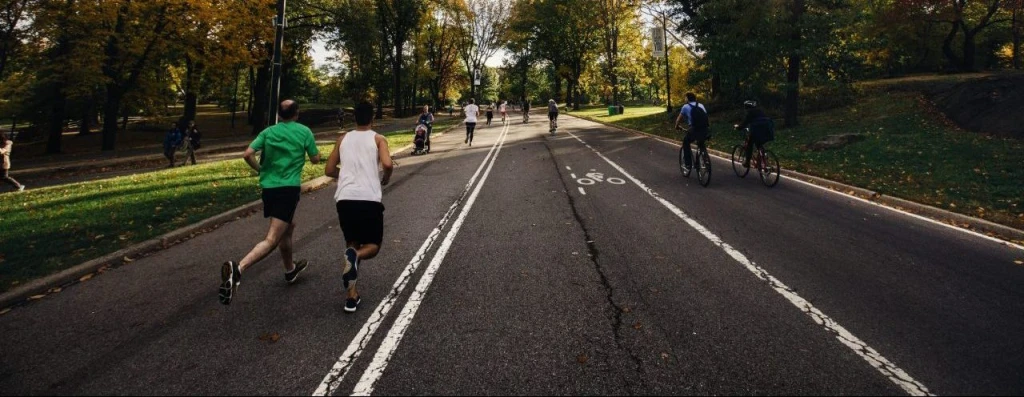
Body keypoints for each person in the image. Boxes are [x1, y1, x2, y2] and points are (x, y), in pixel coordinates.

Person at [219, 99, 321, 305]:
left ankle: (290, 270)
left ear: (279, 114)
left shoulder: (268, 132)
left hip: (269, 189)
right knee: (272, 238)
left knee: (288, 227)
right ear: (297, 113)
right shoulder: (304, 131)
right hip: (288, 189)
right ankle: (239, 269)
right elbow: (315, 159)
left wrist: (260, 169)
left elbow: (247, 154)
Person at [324, 101, 393, 313]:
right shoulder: (378, 139)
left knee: (351, 244)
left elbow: (328, 169)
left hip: (345, 198)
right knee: (372, 245)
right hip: (369, 198)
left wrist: (343, 176)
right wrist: (386, 178)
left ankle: (351, 297)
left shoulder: (342, 139)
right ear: (372, 118)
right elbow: (388, 164)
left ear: (355, 118)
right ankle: (357, 258)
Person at [673, 92, 711, 173]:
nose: (684, 99)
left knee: (686, 142)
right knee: (701, 143)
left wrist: (676, 126)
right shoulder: (701, 105)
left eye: (685, 98)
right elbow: (706, 118)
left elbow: (679, 119)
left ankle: (688, 164)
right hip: (705, 129)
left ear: (687, 98)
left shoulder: (685, 107)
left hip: (694, 129)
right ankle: (705, 159)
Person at [736, 100, 773, 168]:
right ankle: (762, 158)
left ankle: (747, 162)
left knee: (749, 144)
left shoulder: (750, 113)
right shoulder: (760, 111)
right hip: (766, 130)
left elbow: (745, 123)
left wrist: (738, 127)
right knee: (759, 144)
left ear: (747, 107)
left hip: (756, 131)